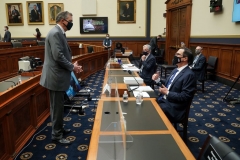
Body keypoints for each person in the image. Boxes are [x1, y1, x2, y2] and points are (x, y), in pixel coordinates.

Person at [40, 11, 83, 145]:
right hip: (55, 77)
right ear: (63, 21)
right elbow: (58, 56)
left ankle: (60, 129)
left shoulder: (59, 33)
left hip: (58, 76)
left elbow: (62, 54)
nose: (71, 23)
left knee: (59, 106)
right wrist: (72, 67)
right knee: (57, 107)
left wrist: (71, 64)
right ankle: (57, 135)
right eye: (70, 20)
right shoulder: (55, 33)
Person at [152, 47, 196, 122]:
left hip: (174, 107)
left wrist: (167, 93)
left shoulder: (189, 75)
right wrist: (157, 79)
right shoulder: (176, 70)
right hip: (164, 100)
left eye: (178, 54)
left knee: (151, 111)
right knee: (147, 102)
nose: (175, 56)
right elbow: (167, 84)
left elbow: (185, 96)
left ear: (185, 59)